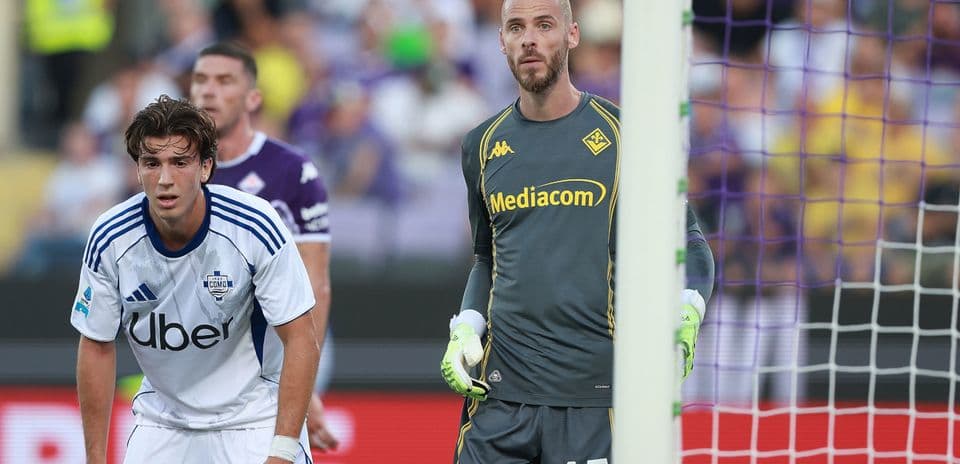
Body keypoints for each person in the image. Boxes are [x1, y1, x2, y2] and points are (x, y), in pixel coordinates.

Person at [439, 0, 715, 462]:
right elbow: (486, 257)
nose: (529, 38)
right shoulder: (481, 145)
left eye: (544, 25)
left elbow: (689, 243)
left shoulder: (628, 136)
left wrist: (688, 310)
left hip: (593, 402)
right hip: (498, 399)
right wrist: (466, 326)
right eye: (516, 27)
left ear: (572, 35)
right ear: (501, 41)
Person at [72, 95, 319, 463]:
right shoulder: (110, 237)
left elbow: (301, 338)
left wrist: (282, 452)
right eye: (151, 163)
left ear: (205, 168)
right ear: (138, 170)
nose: (165, 179)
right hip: (163, 422)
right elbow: (96, 345)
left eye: (180, 162)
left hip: (254, 418)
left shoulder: (254, 225)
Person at [189, 41, 339, 452]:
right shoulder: (173, 173)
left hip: (276, 345)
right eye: (200, 80)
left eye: (224, 81)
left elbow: (315, 283)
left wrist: (306, 384)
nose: (208, 91)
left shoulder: (293, 172)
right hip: (198, 343)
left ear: (252, 97)